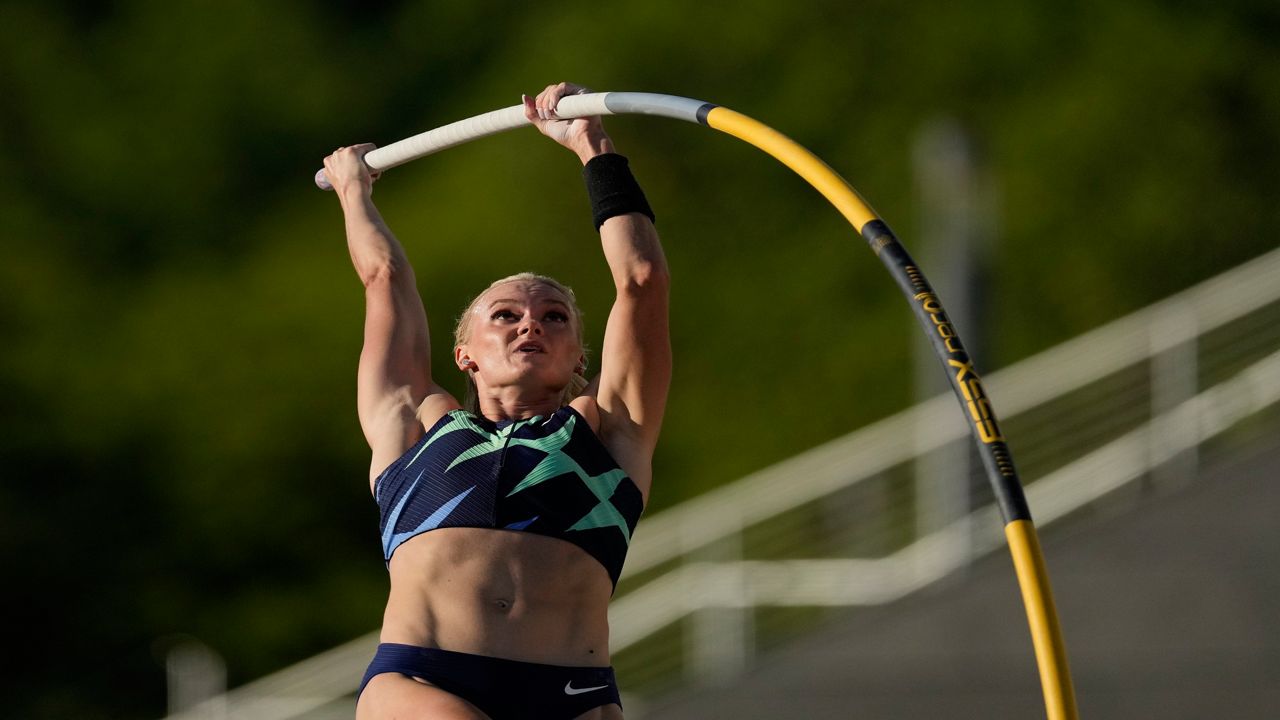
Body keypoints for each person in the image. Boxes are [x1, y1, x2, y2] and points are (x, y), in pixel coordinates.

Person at [321, 82, 671, 720]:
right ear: (466, 354)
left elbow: (641, 281)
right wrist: (354, 190)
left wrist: (593, 144)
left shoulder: (611, 431)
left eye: (555, 318)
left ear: (579, 359)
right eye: (505, 315)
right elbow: (383, 276)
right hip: (427, 681)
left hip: (574, 696)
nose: (530, 325)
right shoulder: (410, 423)